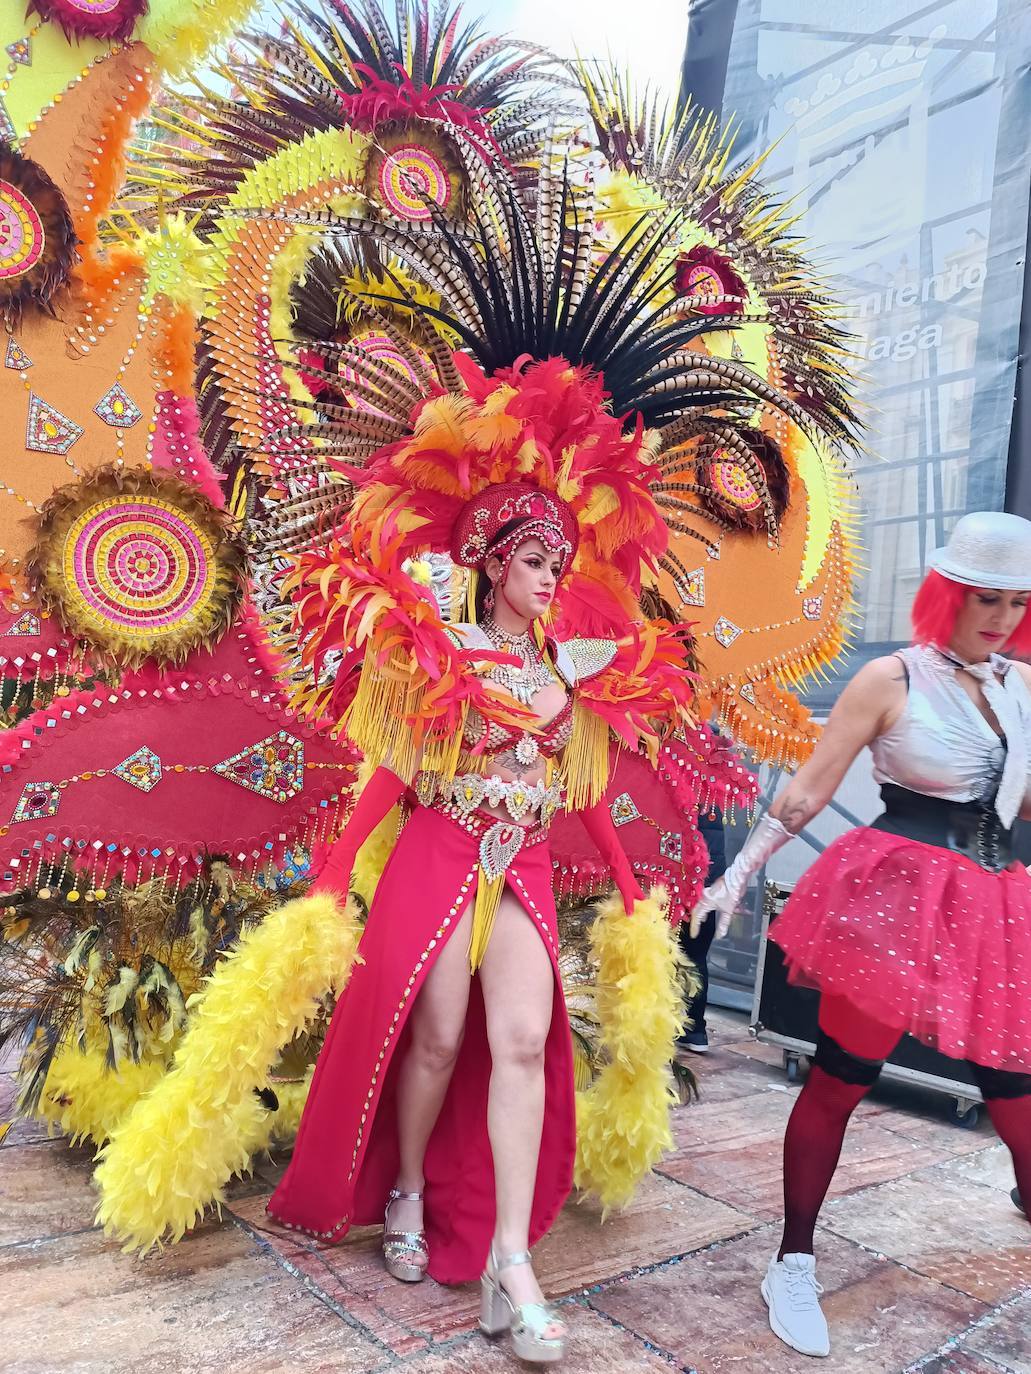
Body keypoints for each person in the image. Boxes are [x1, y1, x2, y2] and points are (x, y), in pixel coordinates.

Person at [267, 364, 694, 1368]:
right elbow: (397, 774)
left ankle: (511, 1262)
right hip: (440, 846)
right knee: (432, 1038)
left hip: (527, 864)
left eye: (559, 560)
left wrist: (630, 895)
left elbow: (582, 794)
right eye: (535, 559)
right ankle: (407, 1185)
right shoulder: (436, 653)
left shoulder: (570, 675)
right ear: (492, 565)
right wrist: (333, 870)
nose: (552, 576)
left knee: (517, 1037)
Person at [692, 510, 1031, 1359]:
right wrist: (735, 876)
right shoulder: (891, 677)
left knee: (1014, 1087)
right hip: (896, 897)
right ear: (947, 592)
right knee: (842, 1079)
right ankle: (792, 1260)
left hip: (990, 904)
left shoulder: (1018, 688)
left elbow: (1018, 805)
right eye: (985, 597)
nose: (1000, 617)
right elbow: (806, 790)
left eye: (1017, 602)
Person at [677, 811, 726, 1052]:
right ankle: (695, 1030)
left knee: (666, 953)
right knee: (696, 957)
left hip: (680, 881)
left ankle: (667, 1029)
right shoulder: (713, 794)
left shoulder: (681, 782)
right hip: (709, 885)